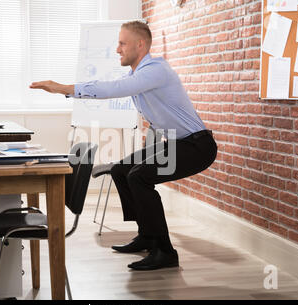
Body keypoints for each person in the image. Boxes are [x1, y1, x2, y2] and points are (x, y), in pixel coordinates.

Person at [30, 21, 217, 271]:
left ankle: (165, 251)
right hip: (178, 142)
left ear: (140, 45)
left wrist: (63, 88)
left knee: (140, 177)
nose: (117, 49)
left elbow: (113, 89)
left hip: (198, 147)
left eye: (122, 43)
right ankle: (147, 236)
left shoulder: (155, 71)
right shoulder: (139, 75)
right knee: (121, 169)